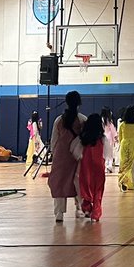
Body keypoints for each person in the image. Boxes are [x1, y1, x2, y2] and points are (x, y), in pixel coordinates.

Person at [48, 91, 85, 223]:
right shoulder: (82, 119)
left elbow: (54, 140)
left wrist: (54, 154)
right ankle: (80, 208)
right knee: (78, 182)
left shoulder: (58, 120)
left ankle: (59, 213)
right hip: (78, 155)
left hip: (61, 155)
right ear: (79, 103)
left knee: (59, 183)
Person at [73, 113, 106, 222]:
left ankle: (86, 208)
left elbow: (76, 152)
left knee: (86, 188)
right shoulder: (102, 139)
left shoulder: (83, 139)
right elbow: (107, 154)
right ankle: (96, 213)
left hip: (86, 168)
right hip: (98, 168)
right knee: (98, 190)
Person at [117, 106, 134, 192]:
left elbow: (120, 138)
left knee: (124, 165)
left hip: (124, 145)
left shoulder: (122, 124)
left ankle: (123, 182)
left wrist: (121, 145)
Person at [101, 107, 118, 174]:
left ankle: (105, 167)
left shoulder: (101, 120)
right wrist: (116, 137)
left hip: (103, 136)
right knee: (110, 153)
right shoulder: (109, 121)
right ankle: (109, 166)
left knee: (104, 153)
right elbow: (113, 130)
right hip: (109, 136)